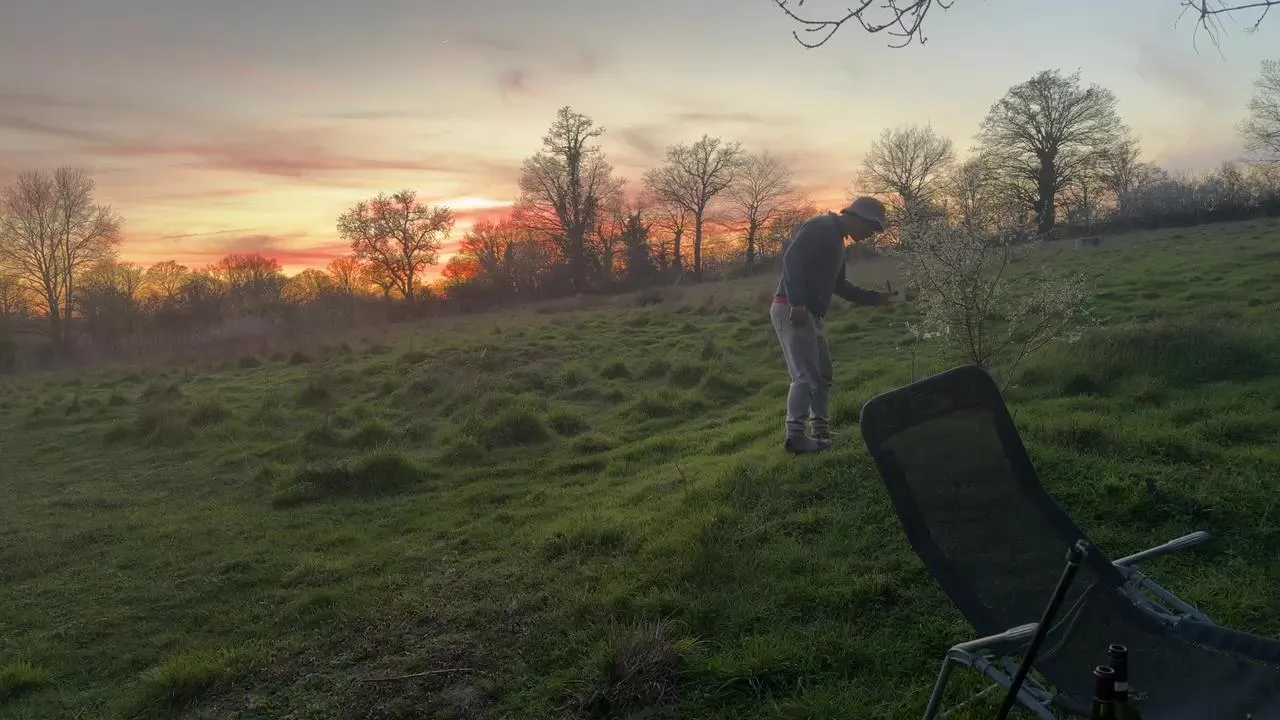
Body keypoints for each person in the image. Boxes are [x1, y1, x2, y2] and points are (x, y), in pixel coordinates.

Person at [770, 197, 892, 454]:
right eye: (871, 228)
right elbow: (791, 260)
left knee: (823, 374)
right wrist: (797, 302)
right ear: (858, 217)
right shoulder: (821, 227)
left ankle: (821, 430)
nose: (870, 235)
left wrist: (874, 298)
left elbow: (840, 285)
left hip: (811, 313)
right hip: (792, 309)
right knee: (805, 376)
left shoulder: (838, 242)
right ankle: (795, 437)